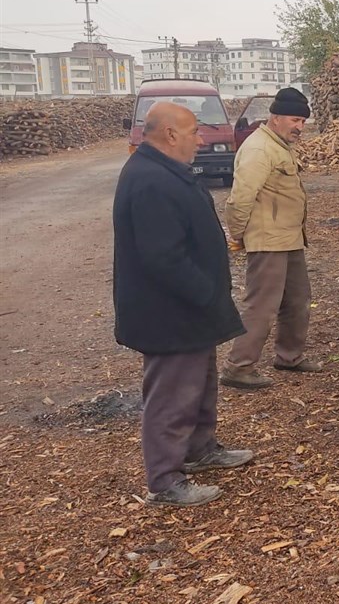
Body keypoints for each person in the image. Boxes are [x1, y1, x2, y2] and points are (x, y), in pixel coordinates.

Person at [112, 101, 253, 507]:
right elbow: (162, 257)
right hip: (168, 313)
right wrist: (206, 293)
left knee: (199, 383)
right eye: (194, 131)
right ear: (170, 134)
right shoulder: (149, 180)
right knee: (172, 394)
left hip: (190, 309)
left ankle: (199, 449)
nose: (202, 137)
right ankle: (164, 480)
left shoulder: (166, 170)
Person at [220, 88, 320, 389]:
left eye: (303, 121)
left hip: (289, 239)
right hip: (267, 242)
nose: (299, 127)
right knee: (261, 306)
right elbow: (240, 199)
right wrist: (237, 235)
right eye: (294, 120)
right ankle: (238, 367)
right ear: (275, 118)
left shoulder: (279, 145)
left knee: (298, 301)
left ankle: (288, 356)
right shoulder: (259, 149)